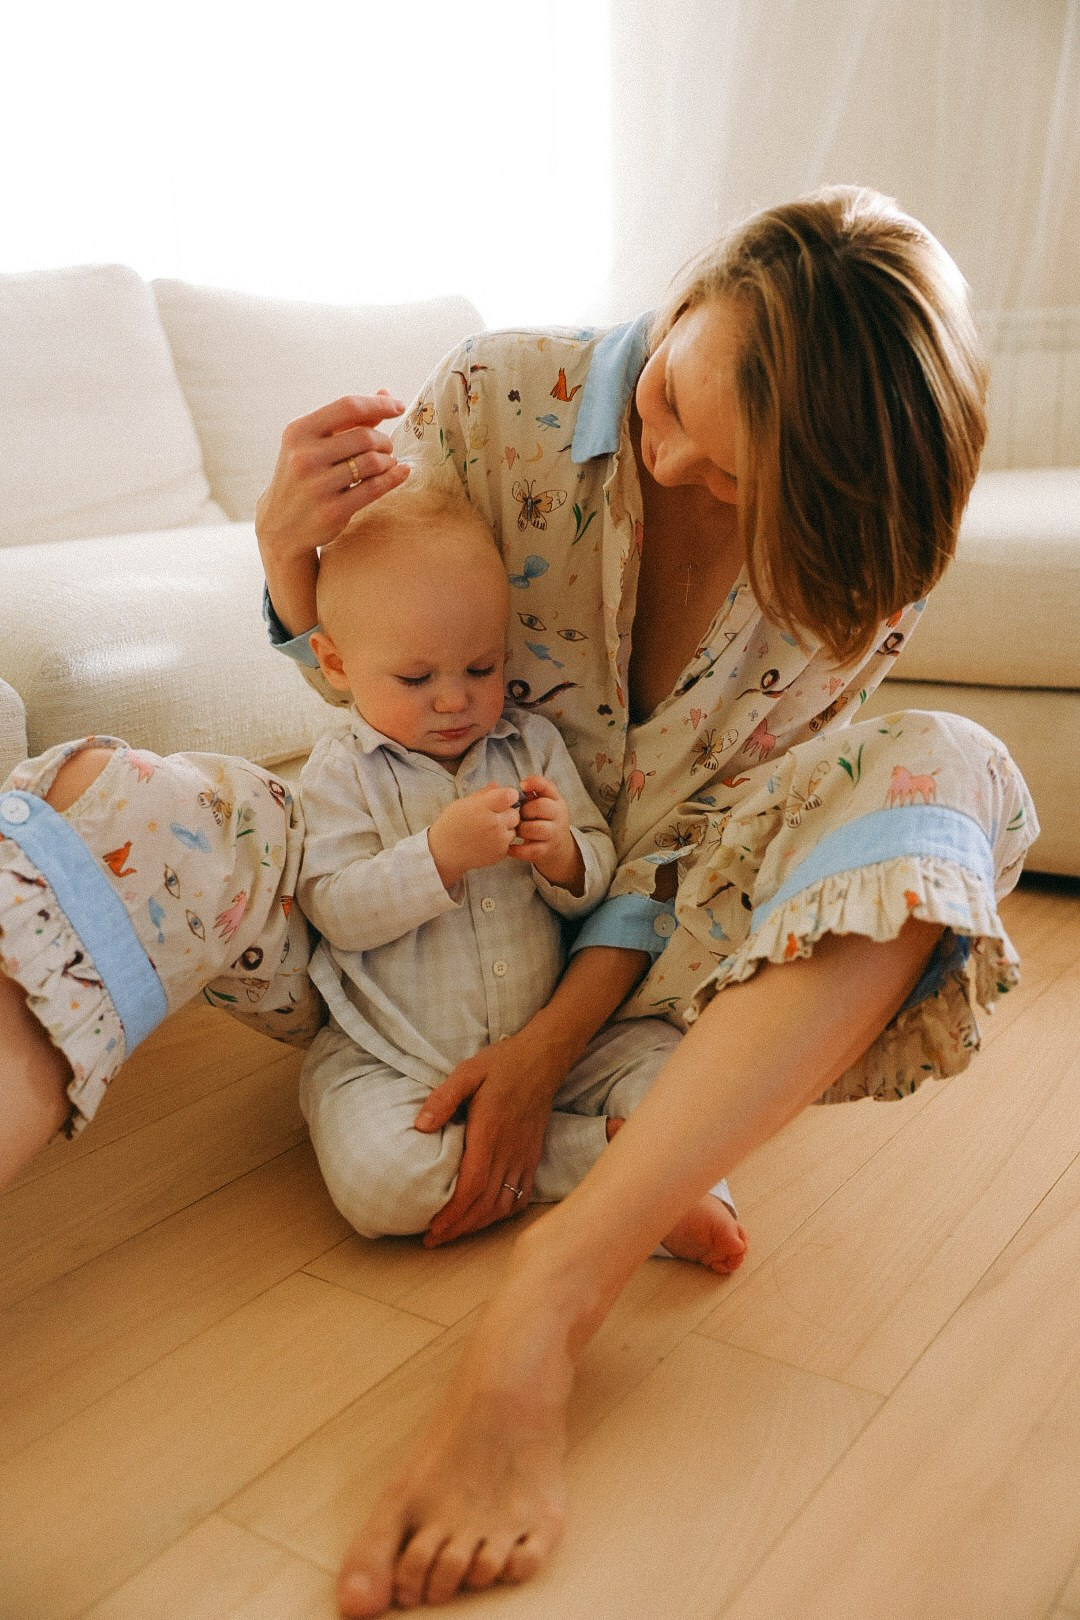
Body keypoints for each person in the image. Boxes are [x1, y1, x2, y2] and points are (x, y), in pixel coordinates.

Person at [0, 186, 1037, 1612]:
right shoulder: (501, 403)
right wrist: (284, 562)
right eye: (672, 389)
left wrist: (546, 1050)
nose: (666, 454)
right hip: (374, 946)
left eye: (730, 477)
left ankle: (549, 1309)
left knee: (955, 774)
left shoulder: (845, 572)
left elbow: (684, 856)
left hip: (637, 978)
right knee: (105, 796)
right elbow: (369, 676)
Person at [294, 477, 743, 1257]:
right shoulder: (341, 771)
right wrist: (440, 856)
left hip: (553, 1046)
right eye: (416, 678)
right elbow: (334, 909)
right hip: (395, 1054)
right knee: (379, 1180)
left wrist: (564, 856)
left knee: (684, 1072)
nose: (455, 701)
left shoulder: (528, 744)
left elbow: (598, 880)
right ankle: (606, 1159)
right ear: (335, 664)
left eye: (480, 667)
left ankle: (688, 1185)